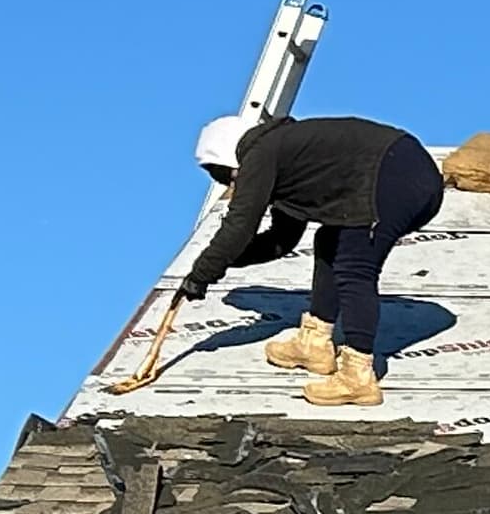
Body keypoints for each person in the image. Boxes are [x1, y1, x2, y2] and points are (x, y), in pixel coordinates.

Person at [155, 111, 447, 408]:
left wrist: (200, 275)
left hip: (398, 178)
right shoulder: (285, 157)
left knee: (354, 265)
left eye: (221, 174)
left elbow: (238, 226)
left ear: (229, 161)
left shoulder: (259, 155)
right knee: (329, 241)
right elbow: (281, 240)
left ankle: (358, 377)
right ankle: (315, 343)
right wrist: (226, 259)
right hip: (403, 172)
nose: (230, 182)